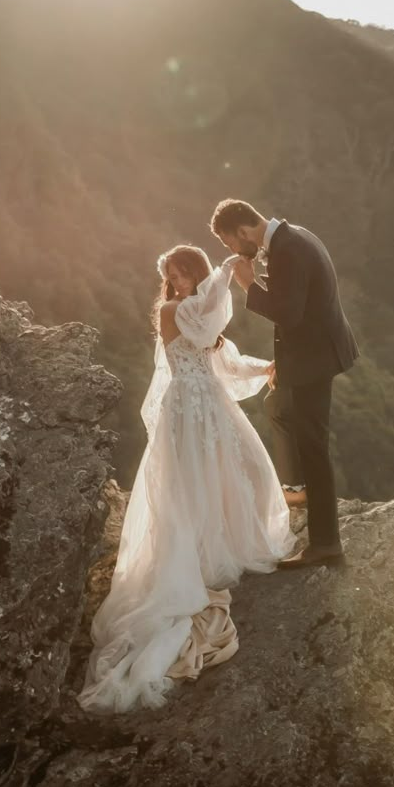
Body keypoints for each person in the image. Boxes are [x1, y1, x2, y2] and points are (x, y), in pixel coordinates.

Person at [77, 245, 295, 713]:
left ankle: (235, 533)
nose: (174, 281)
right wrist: (224, 271)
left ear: (191, 272)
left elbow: (227, 361)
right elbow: (205, 316)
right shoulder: (176, 310)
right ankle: (196, 547)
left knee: (241, 471)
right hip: (187, 406)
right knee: (190, 482)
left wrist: (267, 367)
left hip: (212, 402)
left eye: (181, 273)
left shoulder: (204, 316)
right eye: (170, 275)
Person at [210, 200, 359, 569]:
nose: (233, 251)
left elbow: (288, 314)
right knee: (278, 407)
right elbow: (299, 306)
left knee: (314, 445)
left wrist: (248, 284)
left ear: (244, 232)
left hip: (315, 360)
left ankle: (326, 544)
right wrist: (284, 363)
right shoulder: (294, 238)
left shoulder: (288, 250)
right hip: (311, 355)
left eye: (231, 244)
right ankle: (298, 491)